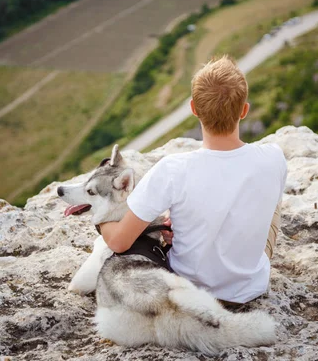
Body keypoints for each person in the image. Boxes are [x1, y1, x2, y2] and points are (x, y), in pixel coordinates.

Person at [99, 55, 287, 304]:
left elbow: (119, 242)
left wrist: (100, 216)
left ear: (194, 109)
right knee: (269, 197)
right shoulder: (274, 157)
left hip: (190, 293)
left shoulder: (172, 169)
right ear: (244, 110)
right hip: (249, 290)